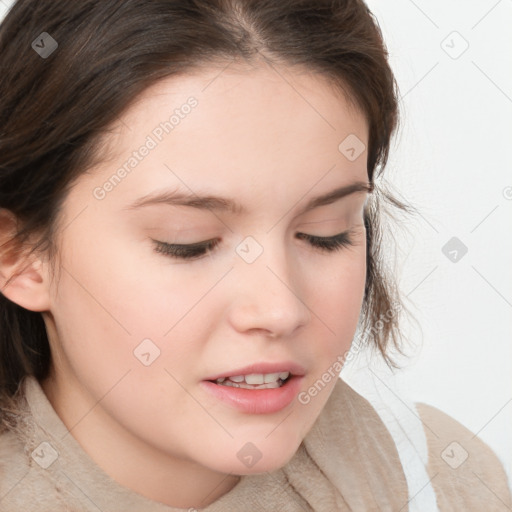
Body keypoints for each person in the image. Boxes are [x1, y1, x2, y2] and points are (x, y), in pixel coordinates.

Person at [0, 0, 510, 510]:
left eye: (324, 233)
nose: (280, 309)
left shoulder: (441, 480)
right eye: (189, 243)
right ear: (18, 252)